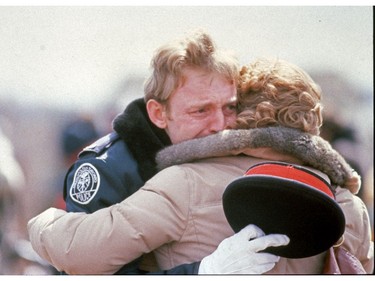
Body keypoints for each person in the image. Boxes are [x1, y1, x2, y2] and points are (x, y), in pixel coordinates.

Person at [27, 58, 373, 274]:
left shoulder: (185, 182)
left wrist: (44, 223)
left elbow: (79, 255)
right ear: (313, 125)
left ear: (238, 116)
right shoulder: (349, 206)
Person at [33, 29, 289, 275]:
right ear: (159, 113)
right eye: (201, 111)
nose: (220, 125)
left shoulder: (237, 150)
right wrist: (202, 272)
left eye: (230, 108)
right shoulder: (110, 169)